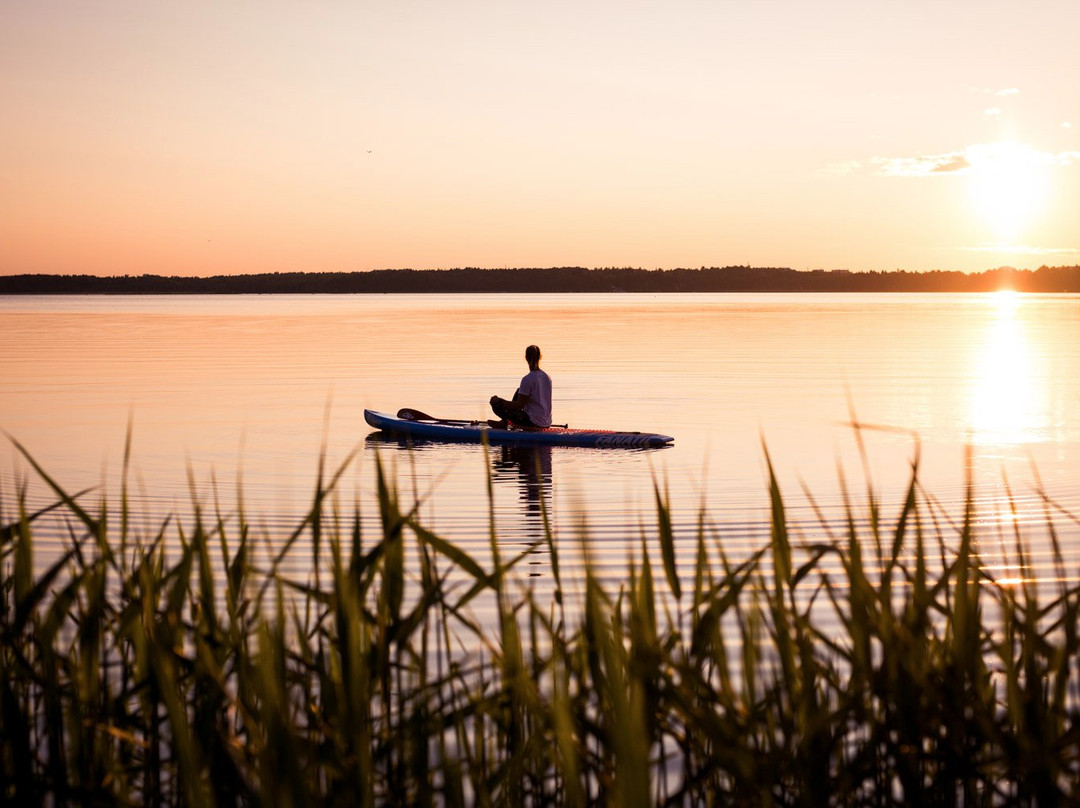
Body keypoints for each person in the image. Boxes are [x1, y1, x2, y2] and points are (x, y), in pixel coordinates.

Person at [489, 344, 552, 429]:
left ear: (526, 358)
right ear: (540, 357)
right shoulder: (547, 377)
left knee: (496, 403)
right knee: (519, 391)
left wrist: (500, 401)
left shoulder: (527, 379)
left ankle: (504, 422)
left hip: (532, 422)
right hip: (546, 422)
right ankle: (504, 422)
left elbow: (519, 406)